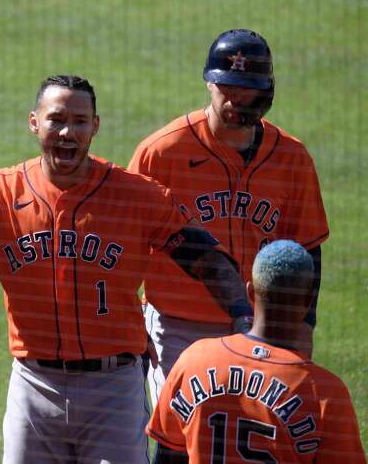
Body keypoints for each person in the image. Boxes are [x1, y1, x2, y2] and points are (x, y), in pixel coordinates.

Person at [0, 75, 253, 464]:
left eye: (80, 121)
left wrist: (243, 317)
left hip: (113, 388)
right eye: (56, 119)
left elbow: (204, 258)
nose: (68, 132)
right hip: (34, 384)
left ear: (95, 126)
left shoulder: (138, 196)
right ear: (35, 122)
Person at [128, 29, 328, 405]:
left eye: (246, 88)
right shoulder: (162, 152)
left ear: (266, 90)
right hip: (177, 326)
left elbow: (308, 249)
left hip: (262, 325)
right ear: (209, 82)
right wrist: (128, 320)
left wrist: (303, 325)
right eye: (226, 86)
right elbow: (124, 241)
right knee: (183, 435)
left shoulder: (291, 158)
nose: (234, 98)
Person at [147, 240, 366, 463]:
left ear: (250, 292)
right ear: (308, 301)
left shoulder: (193, 362)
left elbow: (168, 457)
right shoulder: (324, 392)